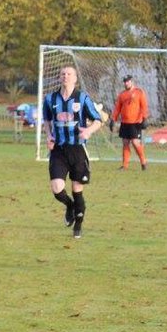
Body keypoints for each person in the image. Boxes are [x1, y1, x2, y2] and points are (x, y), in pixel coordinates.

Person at [43, 65, 104, 239]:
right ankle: (69, 206)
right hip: (59, 150)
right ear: (59, 77)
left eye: (69, 74)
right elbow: (47, 120)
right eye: (63, 74)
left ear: (75, 78)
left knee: (77, 188)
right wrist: (48, 135)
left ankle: (78, 224)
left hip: (77, 149)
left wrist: (88, 131)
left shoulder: (82, 98)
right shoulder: (50, 99)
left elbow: (98, 120)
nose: (65, 76)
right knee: (56, 187)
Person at [109, 74, 149, 172]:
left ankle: (143, 162)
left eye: (128, 81)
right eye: (125, 82)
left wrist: (145, 118)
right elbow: (117, 108)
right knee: (125, 143)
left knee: (135, 143)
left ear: (132, 81)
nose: (126, 83)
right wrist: (113, 119)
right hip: (125, 123)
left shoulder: (139, 92)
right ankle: (124, 165)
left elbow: (144, 106)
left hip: (135, 122)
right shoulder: (122, 94)